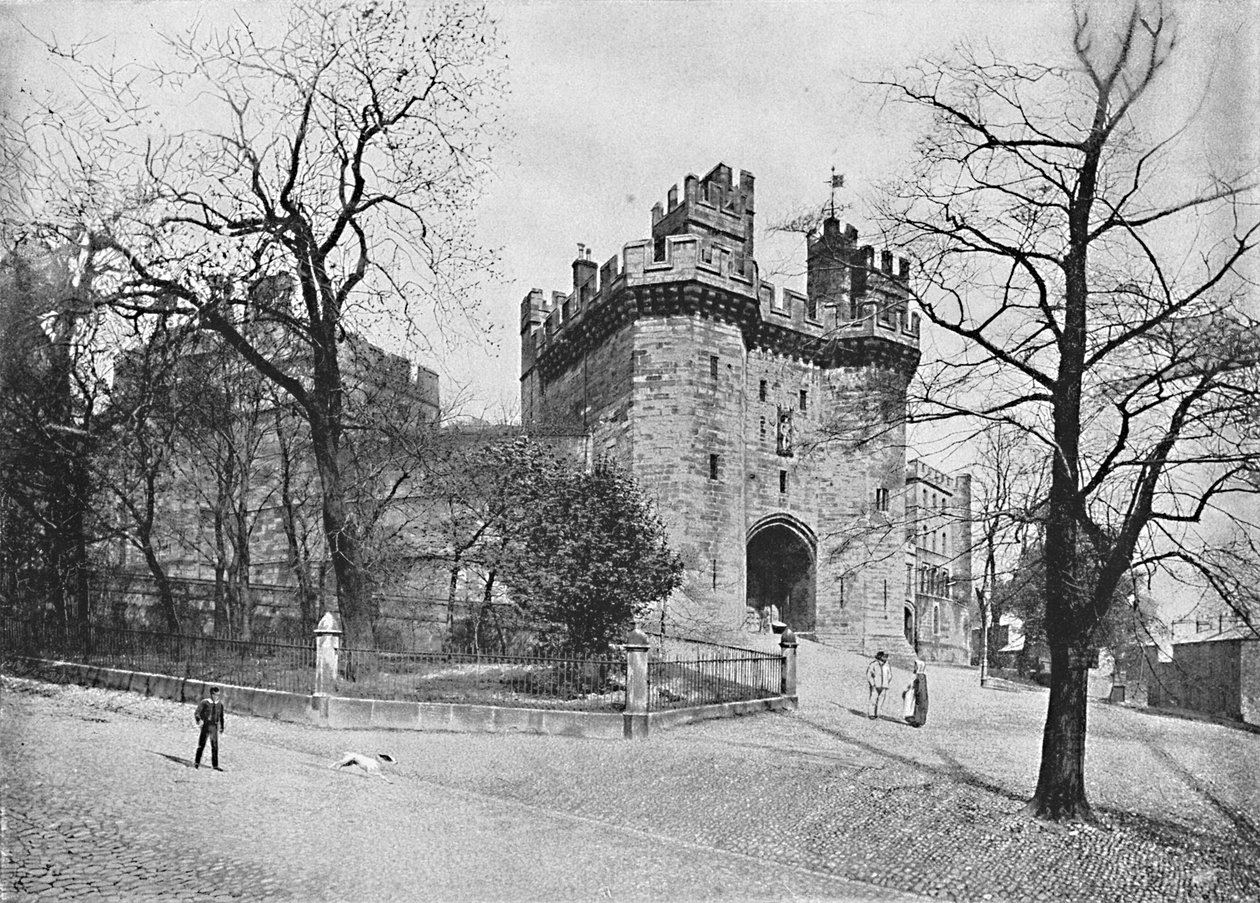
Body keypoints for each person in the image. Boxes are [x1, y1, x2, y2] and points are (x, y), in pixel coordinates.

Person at [194, 686, 226, 771]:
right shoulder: (205, 702)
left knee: (215, 746)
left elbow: (221, 716)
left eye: (218, 695)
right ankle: (197, 762)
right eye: (214, 695)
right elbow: (197, 713)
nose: (216, 697)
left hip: (214, 727)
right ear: (211, 694)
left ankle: (215, 765)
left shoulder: (220, 704)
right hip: (206, 725)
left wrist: (222, 726)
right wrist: (199, 720)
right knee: (202, 744)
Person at [865, 651, 892, 719]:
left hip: (884, 685)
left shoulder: (887, 665)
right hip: (875, 685)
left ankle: (878, 713)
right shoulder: (874, 664)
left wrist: (886, 682)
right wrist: (872, 683)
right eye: (884, 656)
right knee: (873, 699)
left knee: (881, 700)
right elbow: (869, 674)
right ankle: (871, 714)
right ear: (880, 656)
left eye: (886, 656)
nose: (885, 658)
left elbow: (889, 675)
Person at [904, 660, 929, 728]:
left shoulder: (920, 676)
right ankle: (917, 720)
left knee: (919, 706)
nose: (914, 667)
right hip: (918, 693)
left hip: (920, 694)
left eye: (916, 666)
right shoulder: (919, 675)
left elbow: (920, 687)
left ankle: (918, 721)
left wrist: (916, 692)